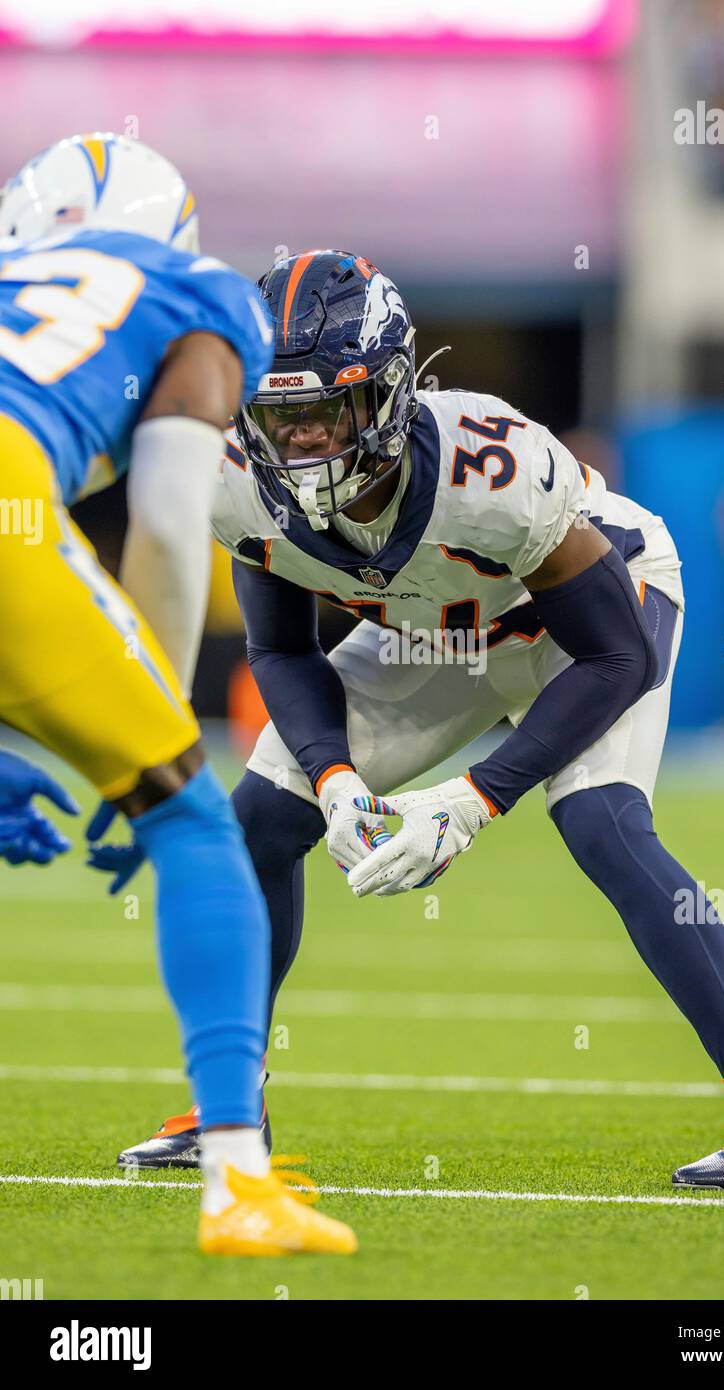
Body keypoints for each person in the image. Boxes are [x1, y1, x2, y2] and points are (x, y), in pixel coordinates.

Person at [116, 248, 724, 1194]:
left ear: (390, 394)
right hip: (436, 636)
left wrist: (469, 800)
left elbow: (615, 655)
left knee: (601, 820)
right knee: (264, 817)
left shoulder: (487, 467)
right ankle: (228, 1109)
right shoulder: (236, 483)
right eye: (277, 418)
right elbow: (282, 652)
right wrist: (334, 781)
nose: (300, 446)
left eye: (326, 413)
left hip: (587, 616)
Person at [0, 145, 355, 1255]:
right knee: (199, 822)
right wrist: (144, 745)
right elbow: (162, 521)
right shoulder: (194, 298)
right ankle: (236, 1183)